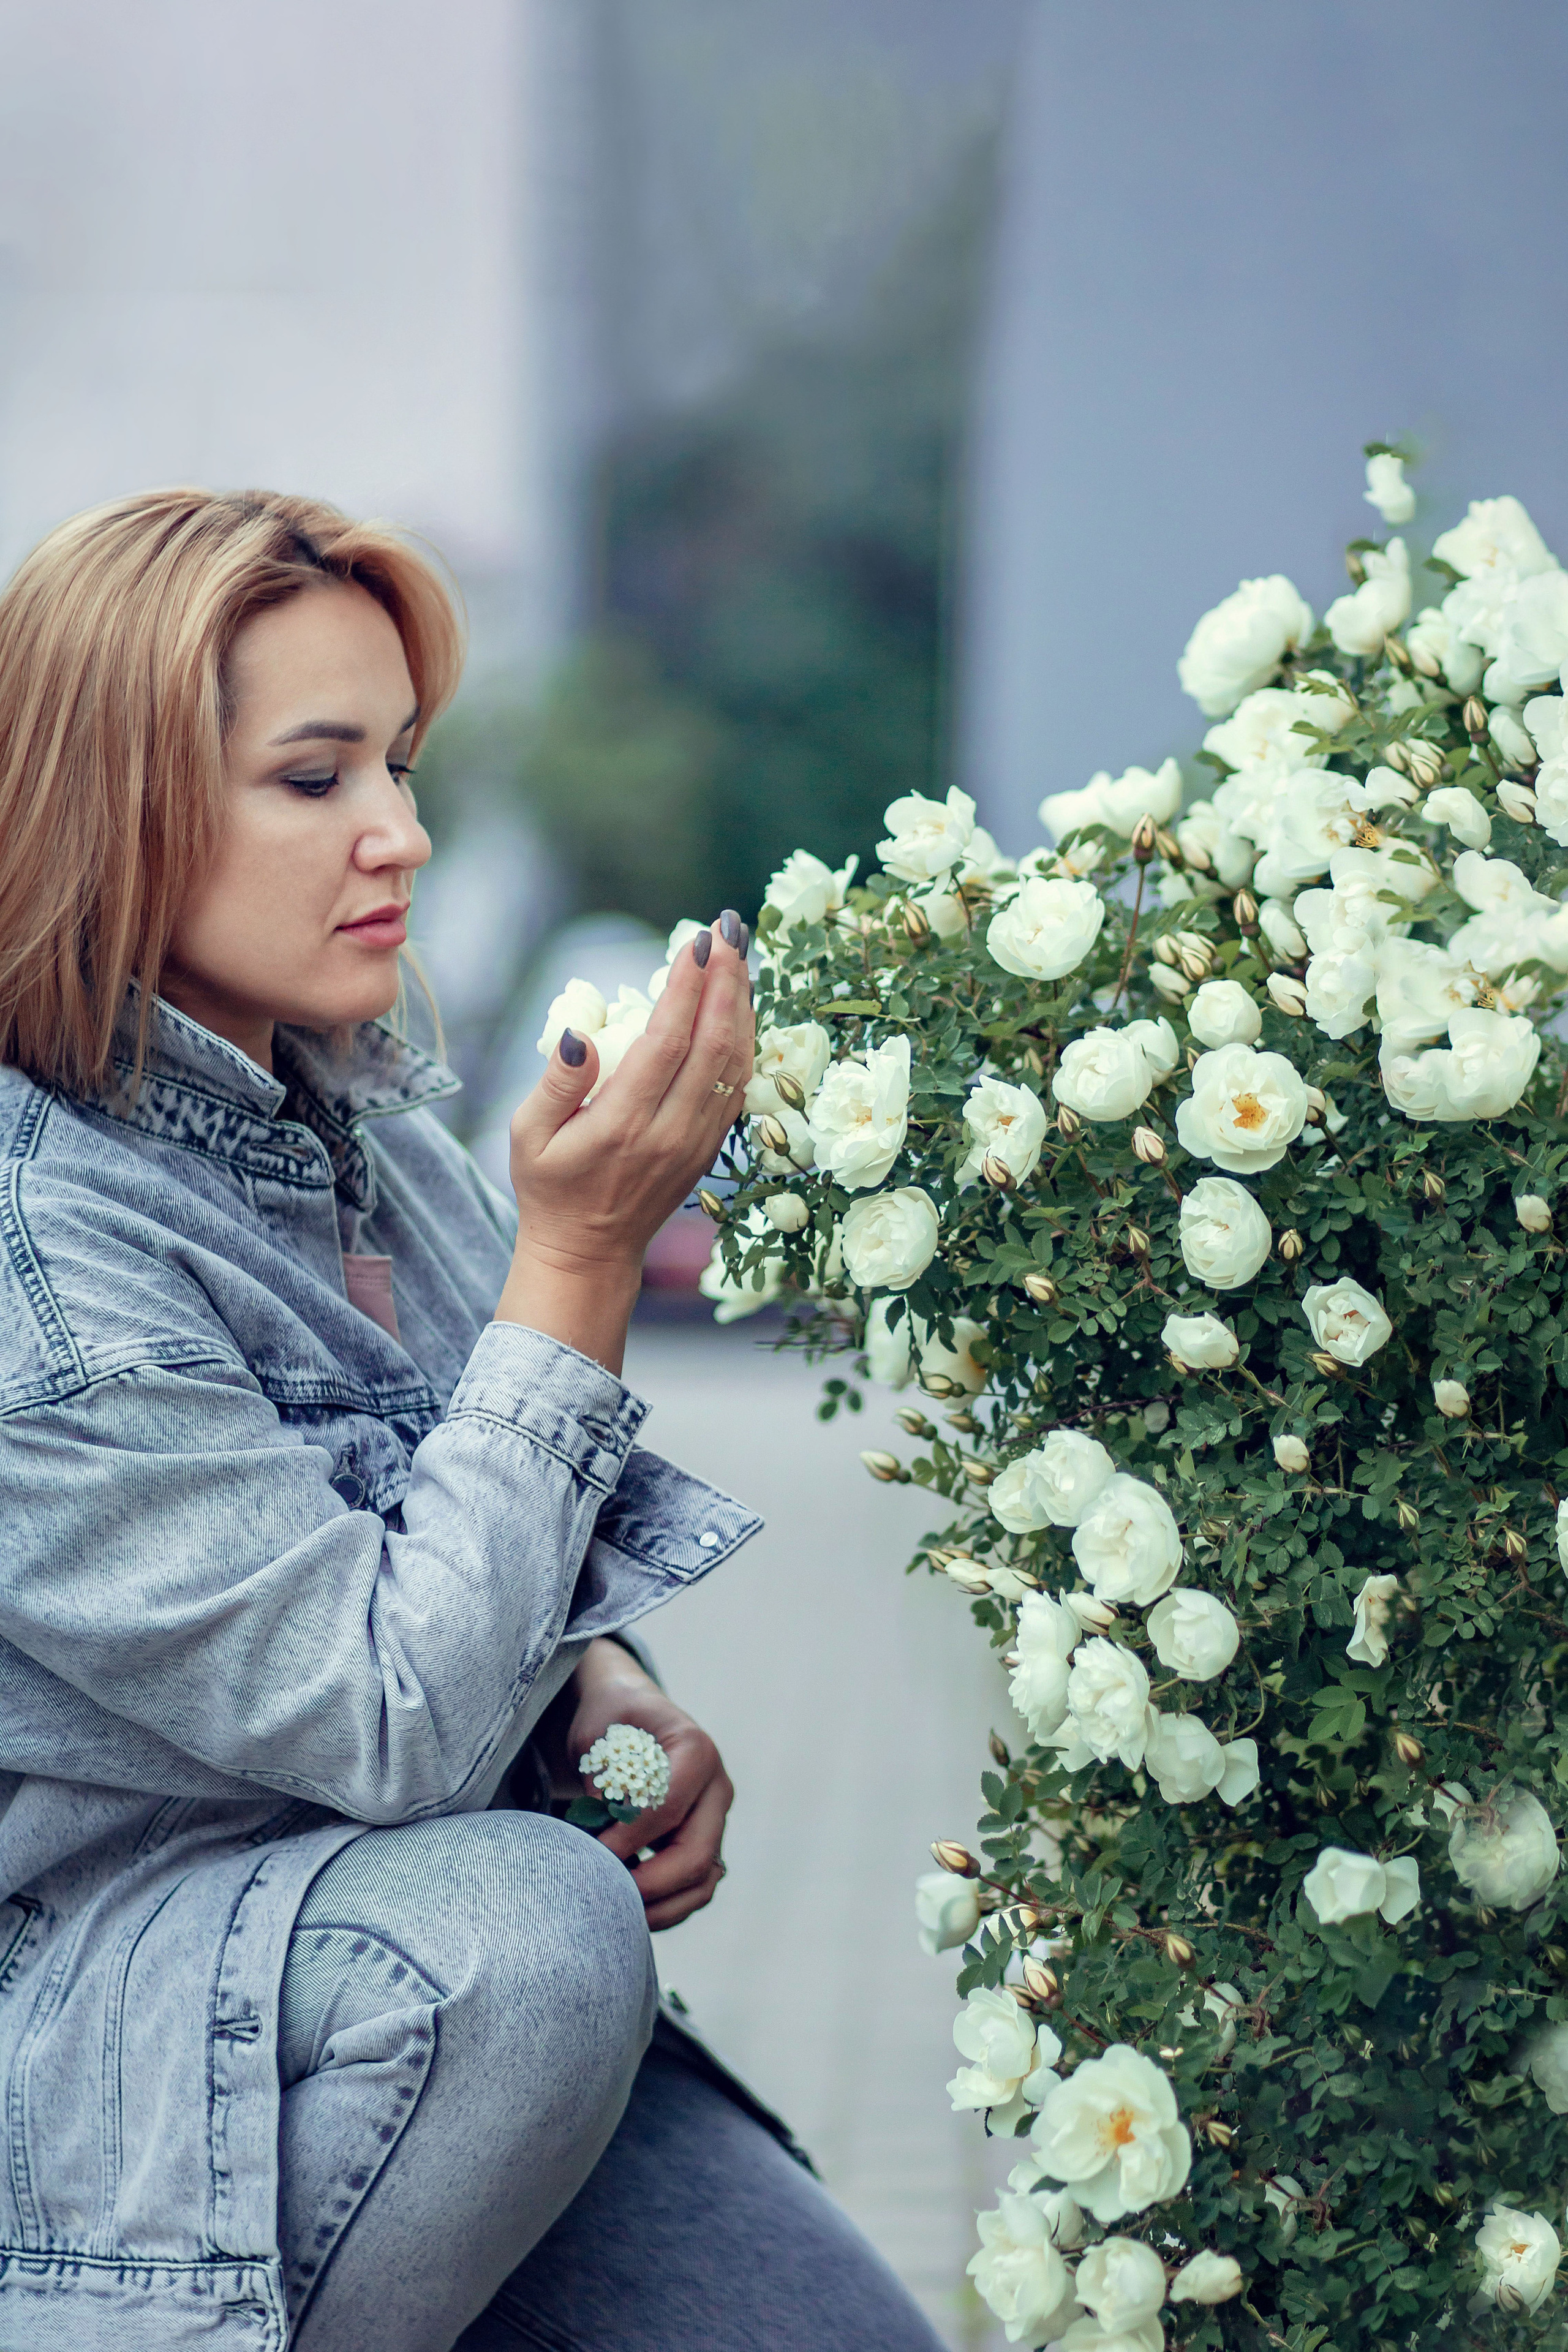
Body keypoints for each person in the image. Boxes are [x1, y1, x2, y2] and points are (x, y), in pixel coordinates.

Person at [0, 490, 946, 2351]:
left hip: (357, 1995)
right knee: (530, 1937)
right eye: (314, 776)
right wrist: (582, 1260)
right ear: (113, 802)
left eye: (407, 766)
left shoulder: (381, 1139)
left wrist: (614, 1698)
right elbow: (389, 1719)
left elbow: (460, 1556)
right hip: (109, 2038)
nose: (403, 836)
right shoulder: (37, 1252)